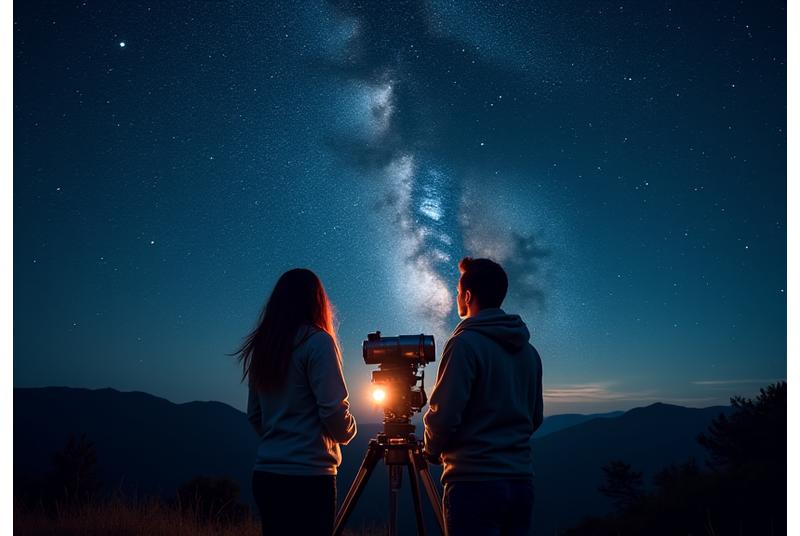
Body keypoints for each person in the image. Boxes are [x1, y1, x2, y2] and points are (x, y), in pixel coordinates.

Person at [423, 257, 544, 536]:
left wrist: (431, 450)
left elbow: (444, 415)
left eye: (457, 292)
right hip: (521, 482)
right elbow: (534, 417)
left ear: (467, 295)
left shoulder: (464, 345)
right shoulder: (530, 352)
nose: (456, 297)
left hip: (473, 483)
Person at [233, 268, 357, 536]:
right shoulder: (318, 342)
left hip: (267, 475)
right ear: (317, 301)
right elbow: (333, 410)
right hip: (310, 478)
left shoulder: (264, 346)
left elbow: (255, 414)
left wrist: (280, 440)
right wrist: (347, 432)